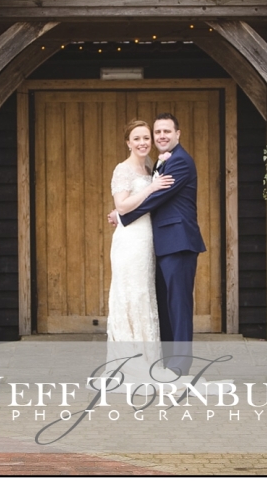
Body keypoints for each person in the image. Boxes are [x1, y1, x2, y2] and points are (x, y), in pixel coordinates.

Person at [112, 112, 206, 376]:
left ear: (178, 134)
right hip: (160, 244)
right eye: (158, 132)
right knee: (164, 306)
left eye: (167, 131)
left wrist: (122, 215)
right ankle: (167, 361)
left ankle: (179, 365)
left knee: (179, 306)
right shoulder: (159, 163)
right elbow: (148, 197)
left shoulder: (180, 162)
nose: (161, 136)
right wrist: (120, 210)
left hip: (179, 242)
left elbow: (157, 197)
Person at [104, 119, 175, 390]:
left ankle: (148, 358)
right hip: (130, 241)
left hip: (147, 240)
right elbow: (123, 206)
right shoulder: (122, 169)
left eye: (146, 137)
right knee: (130, 294)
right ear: (128, 143)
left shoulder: (150, 166)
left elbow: (144, 206)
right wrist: (151, 188)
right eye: (137, 138)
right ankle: (128, 360)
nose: (143, 142)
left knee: (144, 294)